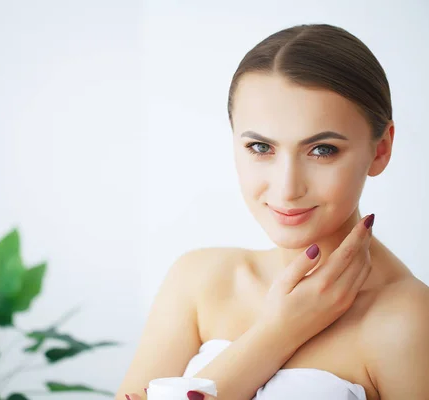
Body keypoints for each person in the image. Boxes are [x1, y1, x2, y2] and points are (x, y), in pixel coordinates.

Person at [116, 23, 429, 400]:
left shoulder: (409, 319)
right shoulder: (198, 282)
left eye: (323, 150)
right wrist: (278, 331)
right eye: (261, 148)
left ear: (380, 150)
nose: (287, 188)